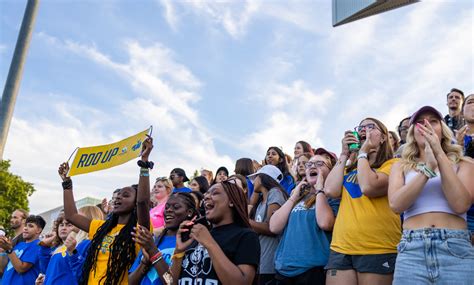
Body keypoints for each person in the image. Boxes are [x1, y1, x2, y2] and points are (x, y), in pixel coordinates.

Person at [388, 105, 474, 284]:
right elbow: (396, 205)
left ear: (442, 129)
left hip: (455, 247)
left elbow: (461, 205)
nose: (426, 125)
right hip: (412, 249)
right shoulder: (400, 165)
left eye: (433, 121)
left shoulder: (465, 162)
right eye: (420, 122)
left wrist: (439, 155)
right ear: (412, 132)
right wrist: (428, 169)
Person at [58, 136, 154, 284]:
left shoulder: (139, 230)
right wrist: (66, 183)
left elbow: (142, 202)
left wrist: (144, 163)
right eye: (117, 195)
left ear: (135, 203)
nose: (117, 198)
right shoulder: (101, 227)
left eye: (126, 195)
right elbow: (71, 215)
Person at [325, 117, 401, 285]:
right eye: (360, 128)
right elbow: (330, 190)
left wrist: (363, 153)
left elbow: (369, 187)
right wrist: (344, 154)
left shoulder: (393, 164)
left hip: (377, 247)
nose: (363, 130)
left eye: (370, 126)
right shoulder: (347, 168)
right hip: (341, 247)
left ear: (383, 138)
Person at [270, 150, 340, 285]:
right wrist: (294, 196)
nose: (313, 166)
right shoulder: (297, 197)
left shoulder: (333, 197)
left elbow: (325, 223)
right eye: (310, 164)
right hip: (283, 270)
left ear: (331, 172)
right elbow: (274, 227)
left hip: (312, 271)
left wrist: (320, 189)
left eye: (320, 164)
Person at [170, 180, 260, 285]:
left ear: (231, 201)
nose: (206, 197)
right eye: (207, 194)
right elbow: (169, 282)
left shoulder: (246, 236)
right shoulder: (195, 236)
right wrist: (178, 252)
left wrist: (209, 243)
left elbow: (242, 283)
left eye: (215, 193)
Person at [129, 192, 199, 285]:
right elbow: (130, 282)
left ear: (189, 212)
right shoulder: (152, 241)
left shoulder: (190, 243)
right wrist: (144, 264)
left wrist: (153, 252)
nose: (169, 210)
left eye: (176, 207)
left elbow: (171, 282)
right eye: (166, 207)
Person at [248, 165, 288, 284]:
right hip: (261, 262)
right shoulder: (261, 203)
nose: (253, 181)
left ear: (263, 178)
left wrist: (246, 221)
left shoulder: (275, 193)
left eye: (256, 177)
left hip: (269, 263)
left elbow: (271, 227)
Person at [0, 215, 46, 284]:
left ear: (39, 230)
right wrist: (3, 249)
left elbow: (21, 269)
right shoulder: (19, 245)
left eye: (30, 226)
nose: (25, 228)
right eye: (25, 225)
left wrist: (9, 249)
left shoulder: (38, 245)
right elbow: (4, 268)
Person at [63, 206, 105, 282]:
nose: (73, 220)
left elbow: (83, 274)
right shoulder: (77, 241)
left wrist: (73, 252)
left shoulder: (90, 243)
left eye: (78, 216)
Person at [38, 214, 76, 284]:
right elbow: (45, 270)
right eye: (61, 225)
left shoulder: (77, 246)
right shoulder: (56, 249)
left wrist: (73, 251)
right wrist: (45, 247)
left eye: (69, 225)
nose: (64, 228)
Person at [0, 209, 28, 277]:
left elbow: (20, 267)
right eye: (12, 217)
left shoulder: (25, 238)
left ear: (24, 220)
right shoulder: (12, 239)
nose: (11, 220)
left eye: (15, 217)